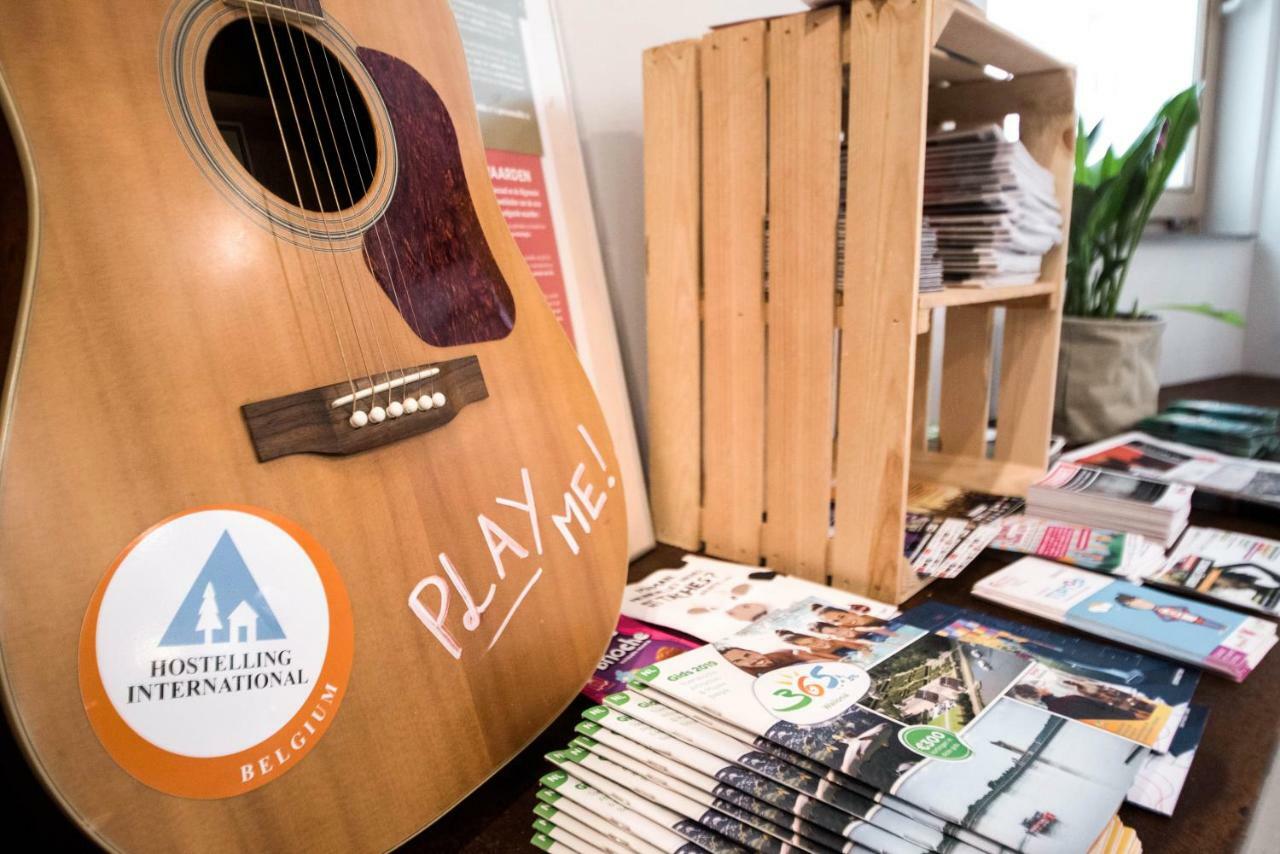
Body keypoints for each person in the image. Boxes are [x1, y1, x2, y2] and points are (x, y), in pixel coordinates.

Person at [1008, 682, 1147, 721]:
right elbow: (1105, 708)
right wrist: (1133, 716)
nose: (1044, 686)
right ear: (1038, 692)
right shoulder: (1071, 699)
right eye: (1040, 686)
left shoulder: (1054, 713)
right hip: (1126, 719)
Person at [1113, 594, 1227, 630]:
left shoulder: (1160, 608)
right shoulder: (1158, 611)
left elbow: (1173, 610)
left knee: (1202, 621)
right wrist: (1174, 617)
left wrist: (1182, 610)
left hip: (1185, 615)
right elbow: (1166, 618)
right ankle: (1219, 627)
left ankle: (1220, 626)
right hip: (1184, 617)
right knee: (1201, 622)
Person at [720, 645, 832, 676]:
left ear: (755, 651)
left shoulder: (783, 653)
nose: (752, 660)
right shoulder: (747, 675)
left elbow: (831, 663)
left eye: (748, 654)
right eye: (739, 661)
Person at [775, 629, 869, 658]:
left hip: (854, 649)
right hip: (842, 657)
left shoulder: (831, 639)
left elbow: (861, 646)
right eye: (808, 644)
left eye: (814, 640)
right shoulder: (813, 651)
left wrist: (865, 652)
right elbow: (840, 661)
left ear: (815, 636)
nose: (816, 644)